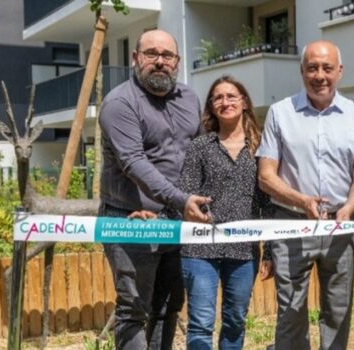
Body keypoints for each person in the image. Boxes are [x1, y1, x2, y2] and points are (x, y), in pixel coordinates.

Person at [256, 40, 354, 350]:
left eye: (327, 68)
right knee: (291, 310)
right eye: (312, 68)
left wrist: (349, 207)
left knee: (338, 308)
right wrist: (302, 200)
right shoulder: (280, 113)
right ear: (302, 71)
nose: (320, 75)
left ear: (340, 71)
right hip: (291, 223)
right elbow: (266, 175)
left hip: (340, 224)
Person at [99, 29, 211, 349]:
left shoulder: (189, 98)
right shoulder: (119, 103)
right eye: (151, 54)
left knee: (168, 305)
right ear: (136, 58)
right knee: (134, 310)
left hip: (175, 220)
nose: (160, 62)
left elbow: (199, 150)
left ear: (177, 61)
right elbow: (133, 162)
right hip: (131, 219)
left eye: (167, 55)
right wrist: (182, 199)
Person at [177, 75, 273, 350]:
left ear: (244, 102)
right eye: (218, 97)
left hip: (244, 250)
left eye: (231, 96)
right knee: (201, 323)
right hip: (200, 249)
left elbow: (268, 202)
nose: (225, 101)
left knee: (234, 321)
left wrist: (269, 251)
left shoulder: (261, 148)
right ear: (211, 106)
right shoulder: (199, 147)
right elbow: (186, 192)